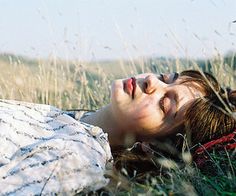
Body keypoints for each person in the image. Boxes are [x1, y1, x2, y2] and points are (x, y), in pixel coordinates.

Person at [0, 70, 235, 194]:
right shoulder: (67, 120)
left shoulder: (76, 156)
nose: (151, 81)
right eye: (166, 78)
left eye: (164, 104)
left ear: (151, 145)